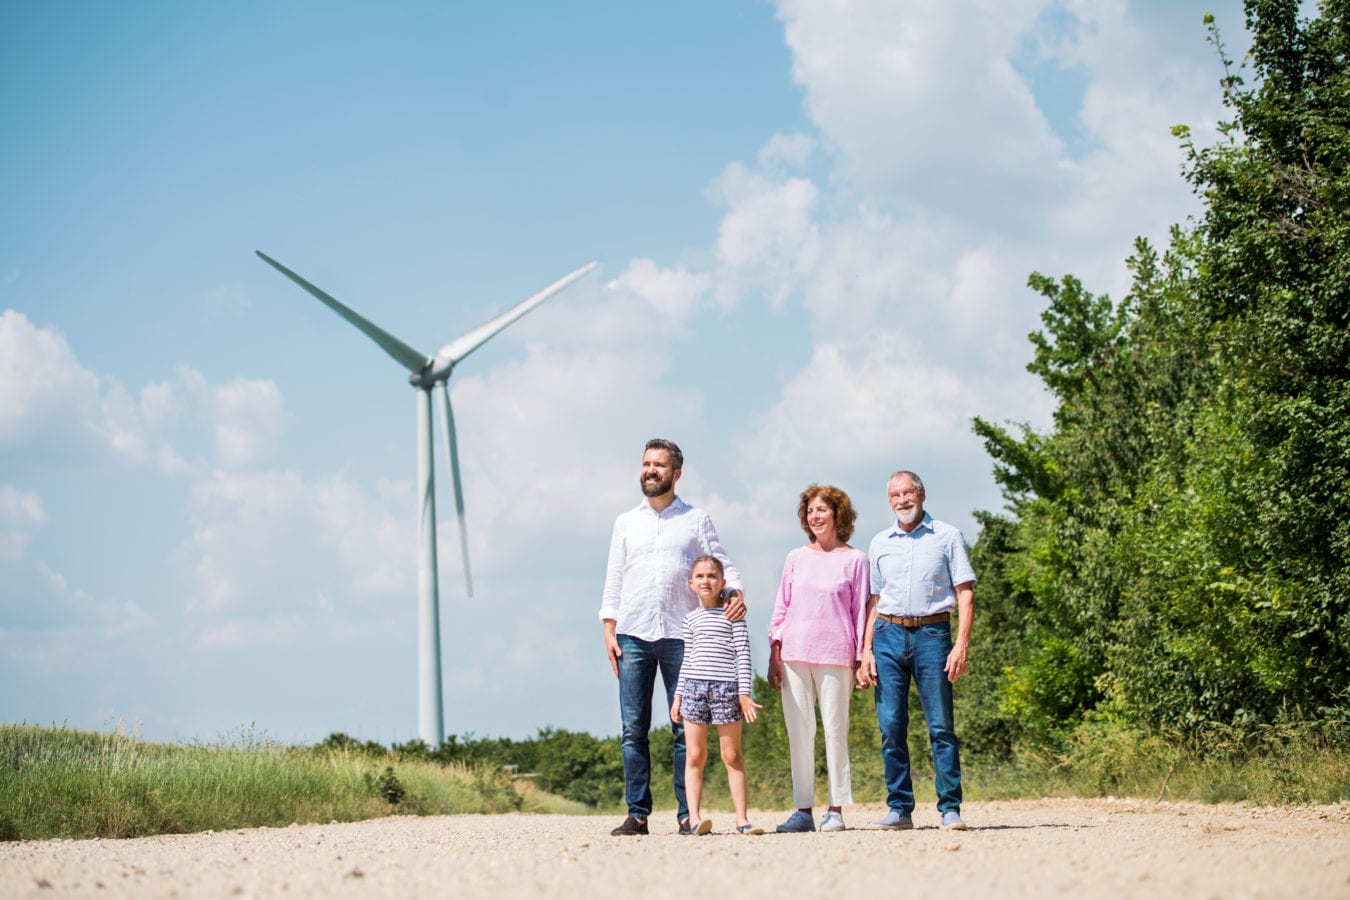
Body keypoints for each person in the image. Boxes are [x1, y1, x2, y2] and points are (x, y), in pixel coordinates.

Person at [600, 438, 746, 837]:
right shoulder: (625, 522)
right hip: (632, 633)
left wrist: (734, 591)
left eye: (659, 465)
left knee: (685, 725)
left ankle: (688, 815)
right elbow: (615, 577)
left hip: (684, 634)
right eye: (646, 463)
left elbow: (722, 561)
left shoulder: (696, 519)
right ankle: (638, 814)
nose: (650, 470)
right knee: (634, 728)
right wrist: (608, 628)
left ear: (676, 473)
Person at [860, 470, 975, 831]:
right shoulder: (879, 542)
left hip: (933, 635)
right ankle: (899, 808)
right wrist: (866, 650)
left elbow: (966, 591)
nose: (902, 500)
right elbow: (875, 601)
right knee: (891, 725)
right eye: (895, 495)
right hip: (888, 636)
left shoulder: (947, 536)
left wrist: (961, 643)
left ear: (921, 495)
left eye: (908, 493)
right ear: (889, 500)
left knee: (940, 725)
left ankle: (950, 808)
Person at [766, 484, 870, 834]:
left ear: (838, 514)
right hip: (794, 653)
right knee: (799, 732)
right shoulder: (796, 557)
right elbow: (781, 607)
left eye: (822, 509)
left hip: (836, 653)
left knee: (835, 731)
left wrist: (860, 658)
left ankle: (836, 809)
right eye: (811, 510)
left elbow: (859, 612)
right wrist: (774, 653)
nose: (816, 515)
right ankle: (803, 810)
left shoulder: (856, 559)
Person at [670, 555, 764, 835]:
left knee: (732, 754)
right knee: (695, 755)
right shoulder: (690, 619)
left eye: (712, 576)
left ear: (723, 582)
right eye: (699, 576)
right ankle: (695, 819)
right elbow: (687, 660)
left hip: (726, 689)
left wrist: (744, 693)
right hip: (694, 691)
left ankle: (742, 819)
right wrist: (678, 695)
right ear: (691, 584)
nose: (706, 581)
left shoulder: (733, 614)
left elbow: (743, 654)